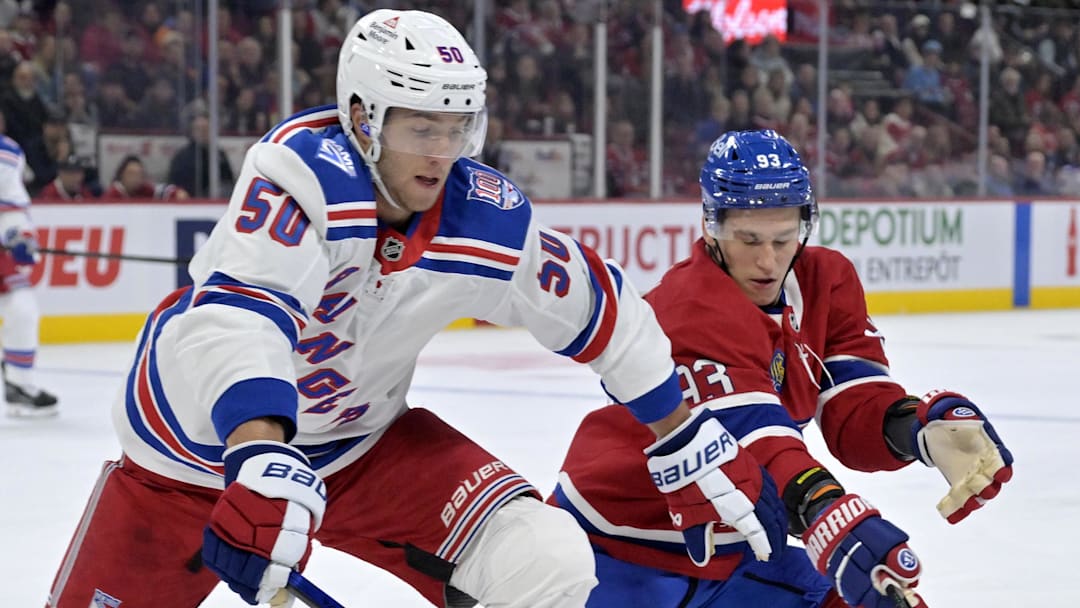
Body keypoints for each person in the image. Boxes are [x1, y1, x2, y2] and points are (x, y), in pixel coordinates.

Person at [46, 11, 788, 608]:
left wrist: (677, 430)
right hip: (194, 454)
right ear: (362, 118)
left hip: (365, 449)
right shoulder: (302, 176)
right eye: (420, 129)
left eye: (457, 128)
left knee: (546, 557)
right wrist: (260, 452)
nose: (441, 153)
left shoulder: (481, 217)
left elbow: (601, 306)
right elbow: (239, 317)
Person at [550, 130, 1014, 608]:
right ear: (710, 226)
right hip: (613, 547)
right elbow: (757, 445)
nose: (768, 261)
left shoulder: (824, 282)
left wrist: (915, 427)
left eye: (783, 238)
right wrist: (827, 510)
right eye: (748, 239)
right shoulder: (686, 307)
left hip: (733, 550)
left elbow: (853, 405)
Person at [0, 112, 59, 416]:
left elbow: (11, 205)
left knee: (22, 308)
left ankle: (19, 384)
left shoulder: (7, 153)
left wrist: (19, 235)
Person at [166, 112, 235, 198]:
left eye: (206, 129)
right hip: (190, 201)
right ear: (192, 132)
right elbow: (174, 185)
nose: (203, 132)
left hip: (215, 201)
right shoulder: (182, 156)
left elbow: (229, 182)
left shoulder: (219, 154)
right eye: (199, 129)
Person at [103, 154, 189, 200]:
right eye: (131, 173)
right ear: (121, 175)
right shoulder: (113, 194)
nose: (135, 178)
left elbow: (163, 190)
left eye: (139, 174)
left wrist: (177, 192)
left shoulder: (144, 189)